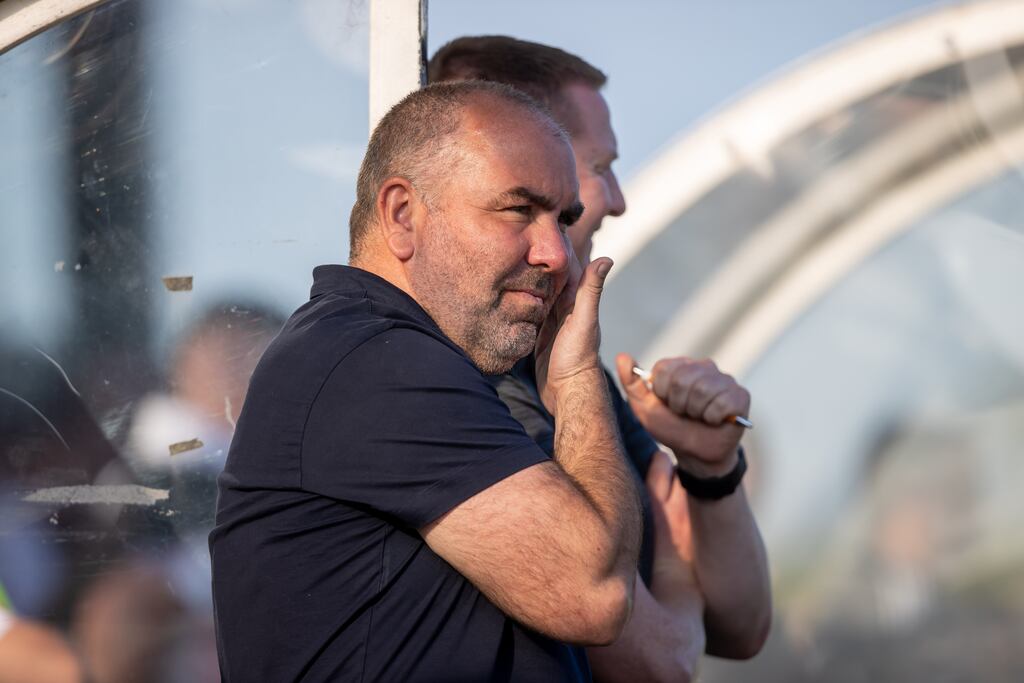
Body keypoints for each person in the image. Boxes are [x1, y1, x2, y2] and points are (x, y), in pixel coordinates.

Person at [210, 80, 646, 681]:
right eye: (519, 209)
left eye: (564, 218)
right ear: (402, 214)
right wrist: (573, 377)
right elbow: (596, 595)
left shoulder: (390, 356)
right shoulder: (375, 361)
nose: (555, 253)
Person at [430, 36, 772, 681]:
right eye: (600, 165)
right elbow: (659, 662)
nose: (616, 199)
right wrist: (673, 566)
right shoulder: (454, 386)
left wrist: (711, 467)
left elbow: (744, 626)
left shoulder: (565, 368)